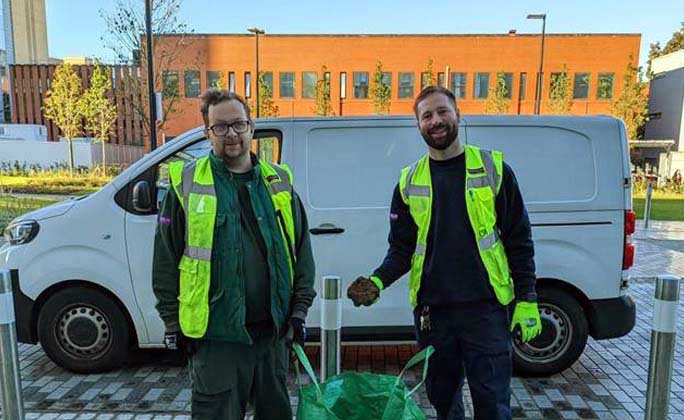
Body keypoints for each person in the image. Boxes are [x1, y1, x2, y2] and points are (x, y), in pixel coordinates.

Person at [347, 86, 542, 420]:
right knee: (443, 402)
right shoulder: (409, 182)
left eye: (442, 112)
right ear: (418, 126)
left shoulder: (492, 170)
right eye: (426, 116)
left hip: (487, 311)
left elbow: (518, 240)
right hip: (434, 315)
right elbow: (402, 249)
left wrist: (527, 298)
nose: (435, 121)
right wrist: (377, 281)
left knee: (493, 405)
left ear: (458, 116)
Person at [152, 89, 316, 420]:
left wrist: (298, 311)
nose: (232, 135)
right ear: (206, 133)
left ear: (251, 127)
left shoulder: (277, 182)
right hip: (217, 340)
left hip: (271, 337)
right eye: (221, 127)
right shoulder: (186, 185)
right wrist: (172, 323)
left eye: (238, 125)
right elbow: (166, 261)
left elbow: (301, 252)